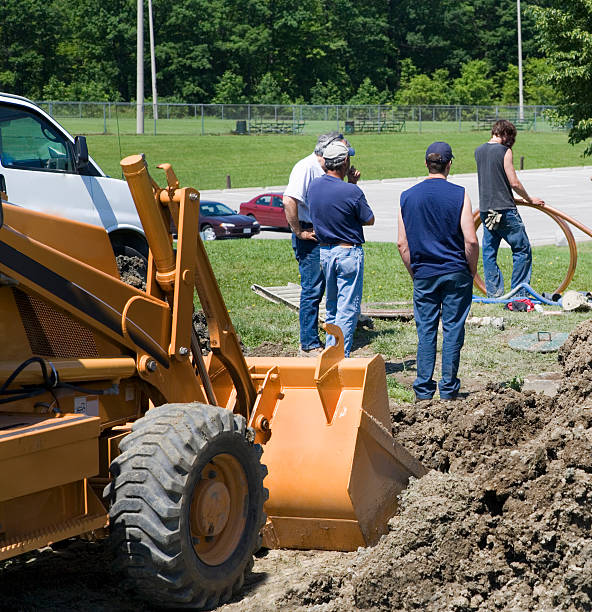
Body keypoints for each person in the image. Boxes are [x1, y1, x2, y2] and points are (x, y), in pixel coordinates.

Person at [398, 142, 478, 401]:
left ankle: (423, 390)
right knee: (453, 328)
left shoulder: (407, 196)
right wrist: (471, 270)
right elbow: (471, 240)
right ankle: (449, 389)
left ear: (426, 164)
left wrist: (415, 273)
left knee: (426, 330)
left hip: (424, 273)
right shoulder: (460, 194)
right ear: (449, 164)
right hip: (456, 271)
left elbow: (402, 243)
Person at [283, 132, 359, 356]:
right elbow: (289, 200)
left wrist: (351, 184)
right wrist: (299, 232)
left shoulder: (326, 170)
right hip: (312, 235)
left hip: (326, 234)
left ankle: (330, 338)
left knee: (328, 288)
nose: (347, 160)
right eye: (343, 153)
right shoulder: (305, 168)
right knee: (313, 289)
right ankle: (309, 343)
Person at [307, 140, 374, 357]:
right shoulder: (351, 192)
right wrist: (354, 185)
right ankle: (339, 356)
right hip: (348, 253)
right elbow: (368, 218)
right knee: (348, 308)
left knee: (333, 306)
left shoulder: (314, 186)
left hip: (325, 252)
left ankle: (329, 351)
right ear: (345, 162)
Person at [475, 119, 545, 297]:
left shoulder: (479, 151)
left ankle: (495, 294)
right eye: (510, 138)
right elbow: (513, 182)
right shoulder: (504, 151)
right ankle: (519, 295)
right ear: (505, 134)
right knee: (521, 249)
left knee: (489, 252)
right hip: (505, 211)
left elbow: (494, 182)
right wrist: (528, 199)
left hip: (486, 210)